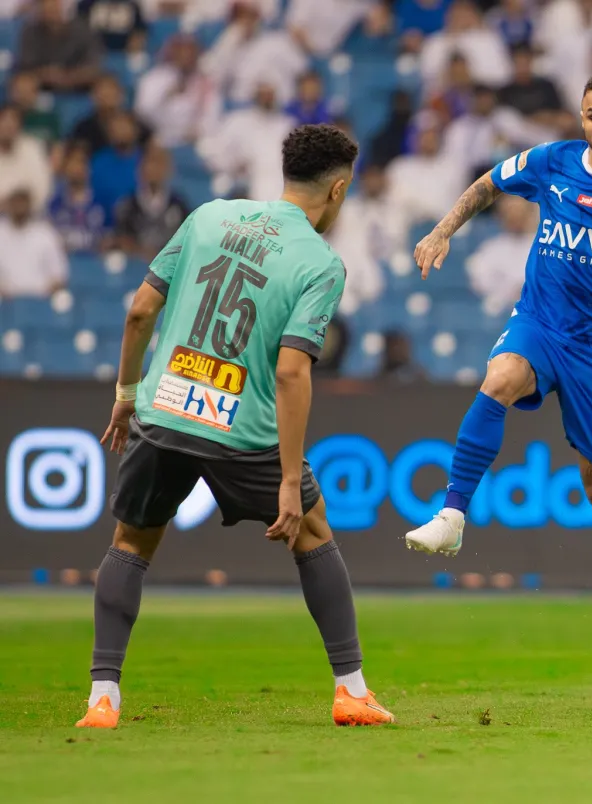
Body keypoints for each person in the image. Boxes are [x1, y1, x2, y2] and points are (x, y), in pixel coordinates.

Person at [76, 124, 394, 729]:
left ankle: (102, 699)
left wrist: (126, 393)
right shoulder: (321, 264)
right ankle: (350, 692)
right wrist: (287, 478)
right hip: (240, 426)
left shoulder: (208, 216)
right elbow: (293, 374)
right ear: (339, 191)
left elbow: (140, 308)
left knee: (130, 543)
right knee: (314, 531)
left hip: (164, 408)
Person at [405, 70, 592, 603]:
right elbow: (489, 184)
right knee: (500, 378)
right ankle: (452, 513)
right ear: (581, 116)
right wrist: (441, 230)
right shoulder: (553, 161)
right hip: (540, 324)